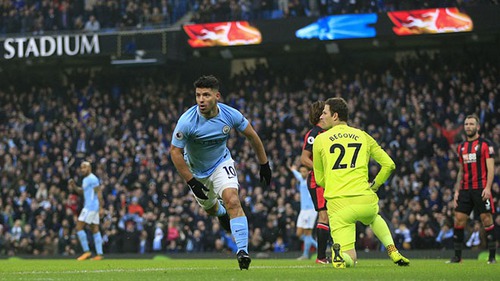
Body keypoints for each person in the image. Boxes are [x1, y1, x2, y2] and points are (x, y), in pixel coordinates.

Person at [170, 75, 271, 270]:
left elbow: (252, 136)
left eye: (206, 95)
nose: (201, 99)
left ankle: (242, 252)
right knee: (211, 210)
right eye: (198, 95)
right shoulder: (187, 121)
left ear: (217, 96)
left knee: (233, 199)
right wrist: (191, 181)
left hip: (221, 163)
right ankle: (221, 213)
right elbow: (175, 151)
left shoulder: (230, 114)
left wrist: (264, 164)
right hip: (196, 172)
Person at [312, 97, 410, 268]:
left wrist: (335, 182)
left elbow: (319, 179)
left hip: (338, 205)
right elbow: (389, 165)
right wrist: (375, 185)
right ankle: (392, 249)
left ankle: (341, 257)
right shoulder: (363, 136)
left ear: (335, 116)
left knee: (350, 258)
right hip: (364, 198)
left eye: (325, 113)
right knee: (374, 217)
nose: (321, 116)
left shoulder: (320, 140)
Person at [448, 114, 496, 264]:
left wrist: (488, 188)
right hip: (465, 189)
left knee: (486, 219)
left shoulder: (485, 145)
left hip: (481, 188)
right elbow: (461, 170)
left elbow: (491, 168)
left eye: (471, 124)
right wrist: (457, 190)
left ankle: (492, 257)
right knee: (459, 219)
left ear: (477, 127)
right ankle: (457, 257)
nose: (468, 126)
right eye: (466, 124)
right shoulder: (461, 147)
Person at [300, 100, 331, 264]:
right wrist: (321, 171)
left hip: (332, 181)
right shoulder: (314, 134)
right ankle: (320, 257)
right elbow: (304, 159)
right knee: (324, 215)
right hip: (318, 181)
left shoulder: (330, 133)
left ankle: (337, 253)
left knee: (335, 216)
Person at [69, 161, 104, 260]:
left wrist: (101, 208)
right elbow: (81, 192)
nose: (82, 169)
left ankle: (86, 252)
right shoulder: (85, 179)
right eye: (81, 168)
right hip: (90, 206)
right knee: (95, 229)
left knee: (79, 227)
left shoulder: (93, 179)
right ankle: (99, 254)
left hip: (91, 207)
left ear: (89, 168)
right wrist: (74, 186)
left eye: (84, 167)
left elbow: (99, 192)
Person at [290, 164, 318, 260]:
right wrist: (293, 170)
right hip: (303, 210)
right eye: (301, 171)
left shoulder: (310, 181)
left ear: (308, 172)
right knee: (298, 234)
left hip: (310, 210)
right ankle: (321, 247)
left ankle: (306, 255)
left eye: (304, 171)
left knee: (307, 234)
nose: (302, 173)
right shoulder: (302, 179)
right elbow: (297, 175)